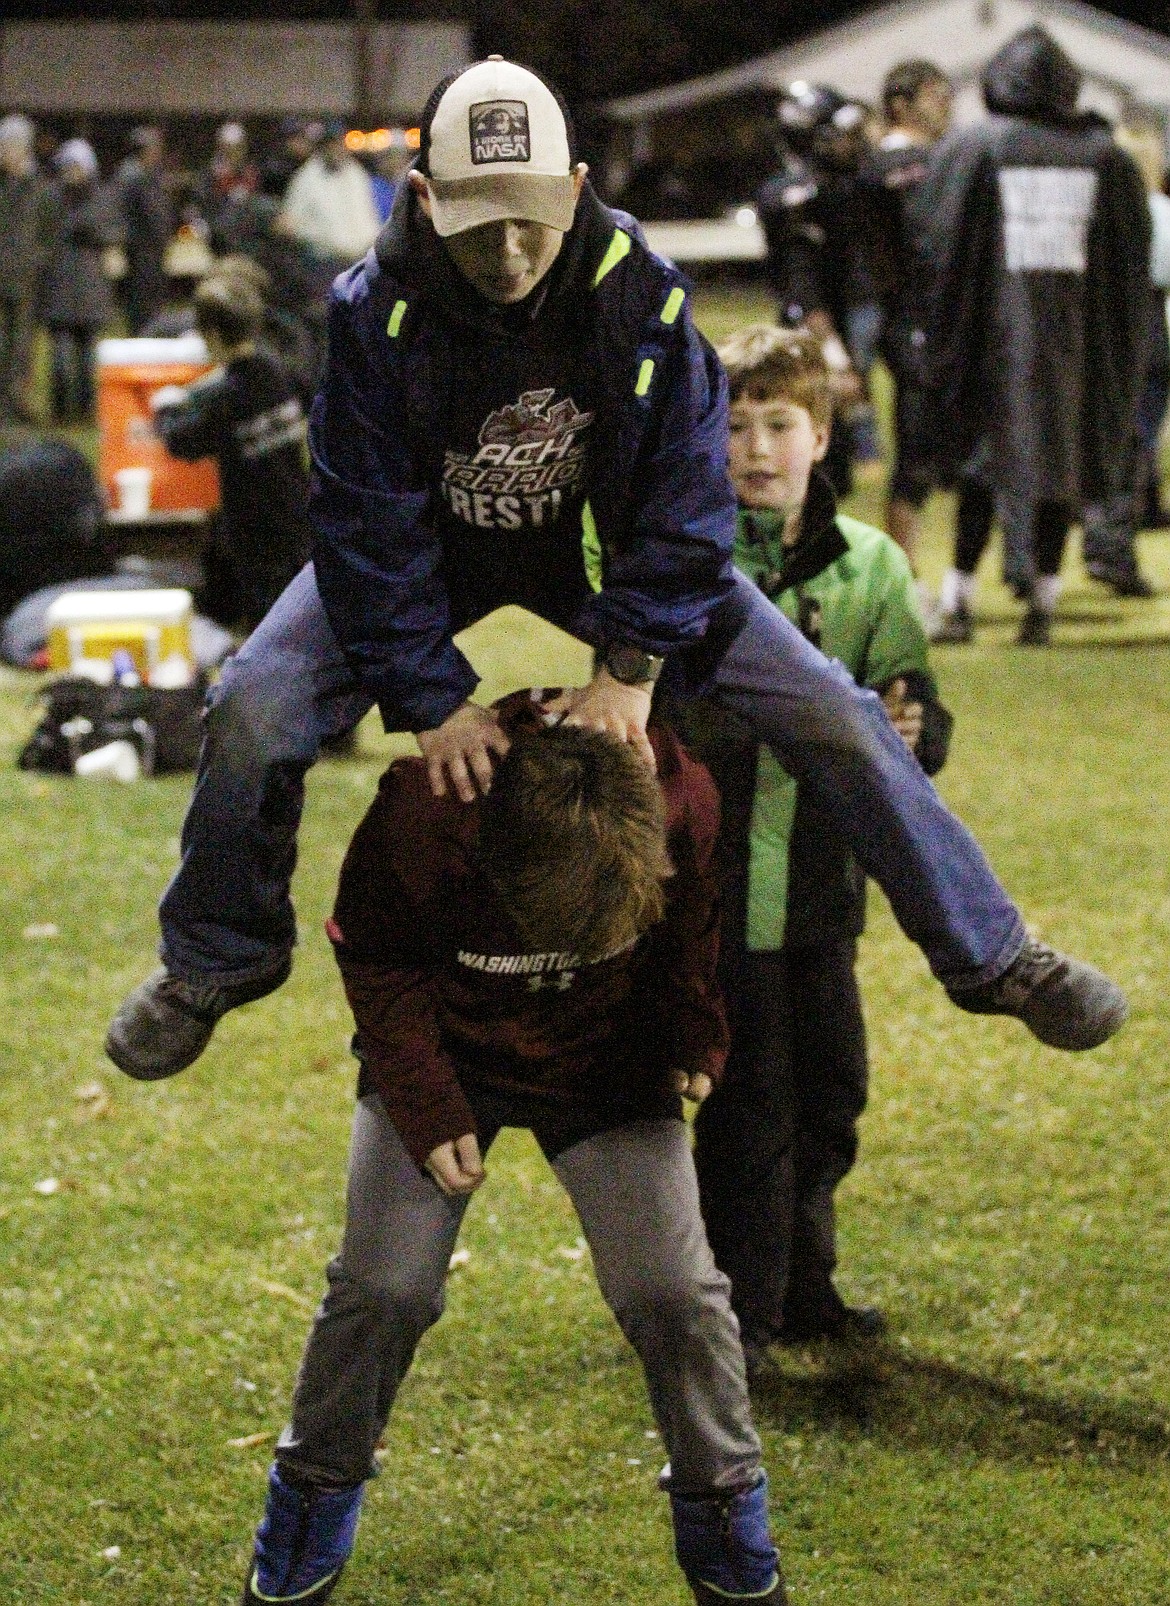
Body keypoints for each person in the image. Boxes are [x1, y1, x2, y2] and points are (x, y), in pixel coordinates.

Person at [104, 57, 1126, 1084]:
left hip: (602, 550)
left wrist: (631, 665)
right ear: (422, 196)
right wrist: (430, 696)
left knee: (830, 708)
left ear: (579, 186)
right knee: (251, 703)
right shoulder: (375, 311)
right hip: (432, 557)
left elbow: (689, 496)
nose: (508, 251)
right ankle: (217, 956)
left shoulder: (640, 292)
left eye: (533, 219)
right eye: (478, 220)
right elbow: (363, 522)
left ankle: (993, 954)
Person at [238, 700, 787, 1606]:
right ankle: (305, 1519)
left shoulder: (681, 795)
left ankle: (730, 1540)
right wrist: (422, 1096)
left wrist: (697, 1027)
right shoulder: (425, 810)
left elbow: (694, 923)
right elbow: (375, 955)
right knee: (384, 1288)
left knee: (676, 1293)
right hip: (445, 1050)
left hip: (606, 1056)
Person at [668, 325, 951, 1363]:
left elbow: (918, 715)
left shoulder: (872, 564)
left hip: (824, 891)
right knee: (747, 1106)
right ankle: (736, 1308)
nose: (755, 448)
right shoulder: (688, 562)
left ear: (822, 436)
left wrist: (919, 727)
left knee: (832, 1090)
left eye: (779, 425)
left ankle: (807, 1283)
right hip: (720, 892)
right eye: (733, 426)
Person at [917, 27, 1151, 646]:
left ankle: (958, 599)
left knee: (980, 473)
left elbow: (934, 243)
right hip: (1075, 360)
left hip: (991, 353)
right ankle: (1041, 607)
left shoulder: (974, 148)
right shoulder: (1106, 157)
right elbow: (1130, 270)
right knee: (1061, 474)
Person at [149, 272, 311, 632]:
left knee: (267, 616)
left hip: (251, 525)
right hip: (296, 510)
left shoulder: (225, 398)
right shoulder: (276, 370)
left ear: (212, 335)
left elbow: (182, 442)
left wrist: (165, 408)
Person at [855, 59, 954, 571]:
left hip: (933, 322)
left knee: (942, 452)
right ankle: (907, 571)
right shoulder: (887, 168)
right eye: (935, 96)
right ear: (901, 103)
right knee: (917, 450)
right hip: (912, 321)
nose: (947, 105)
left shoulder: (938, 159)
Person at [757, 82, 878, 492]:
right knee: (811, 423)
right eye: (836, 135)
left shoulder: (832, 185)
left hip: (827, 312)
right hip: (813, 319)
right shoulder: (797, 194)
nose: (849, 144)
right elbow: (802, 281)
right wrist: (834, 352)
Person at [39, 139, 124, 424]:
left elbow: (112, 231)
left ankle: (87, 411)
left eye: (77, 166)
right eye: (68, 166)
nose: (72, 172)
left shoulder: (101, 198)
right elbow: (42, 238)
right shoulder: (51, 199)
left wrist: (89, 229)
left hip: (90, 291)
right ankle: (61, 411)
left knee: (88, 361)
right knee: (61, 362)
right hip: (59, 290)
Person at [279, 117, 382, 276]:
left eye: (339, 143)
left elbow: (368, 214)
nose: (336, 148)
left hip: (361, 260)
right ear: (322, 147)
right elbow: (289, 225)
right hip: (325, 263)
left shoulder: (356, 173)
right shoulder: (306, 178)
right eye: (330, 144)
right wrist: (321, 238)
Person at [0, 113, 52, 424]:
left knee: (22, 346)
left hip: (27, 280)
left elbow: (50, 233)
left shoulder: (40, 189)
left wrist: (35, 261)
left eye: (9, 146)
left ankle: (18, 402)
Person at [115, 125, 173, 335]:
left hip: (152, 251)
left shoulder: (149, 176)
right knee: (142, 307)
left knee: (152, 305)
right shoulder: (132, 177)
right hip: (141, 252)